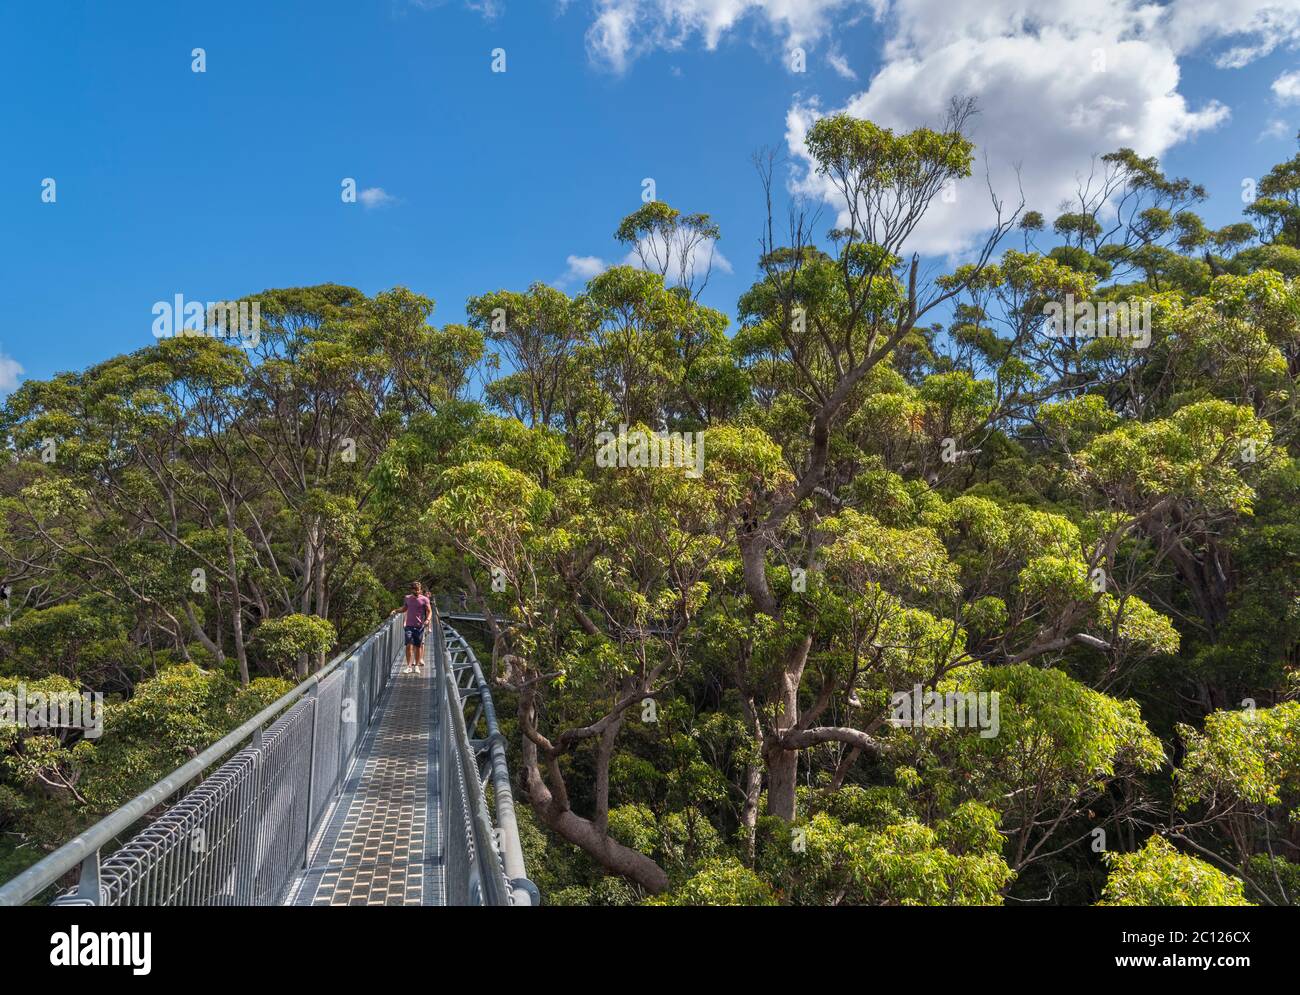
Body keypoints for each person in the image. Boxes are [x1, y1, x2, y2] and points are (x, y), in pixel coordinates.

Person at [391, 581, 432, 674]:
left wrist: (428, 620)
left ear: (420, 589)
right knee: (409, 645)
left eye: (419, 589)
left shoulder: (425, 599)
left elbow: (429, 611)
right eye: (415, 590)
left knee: (418, 646)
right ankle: (409, 666)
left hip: (419, 626)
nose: (417, 591)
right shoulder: (407, 598)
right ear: (412, 590)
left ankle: (416, 666)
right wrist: (396, 611)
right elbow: (404, 608)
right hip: (409, 626)